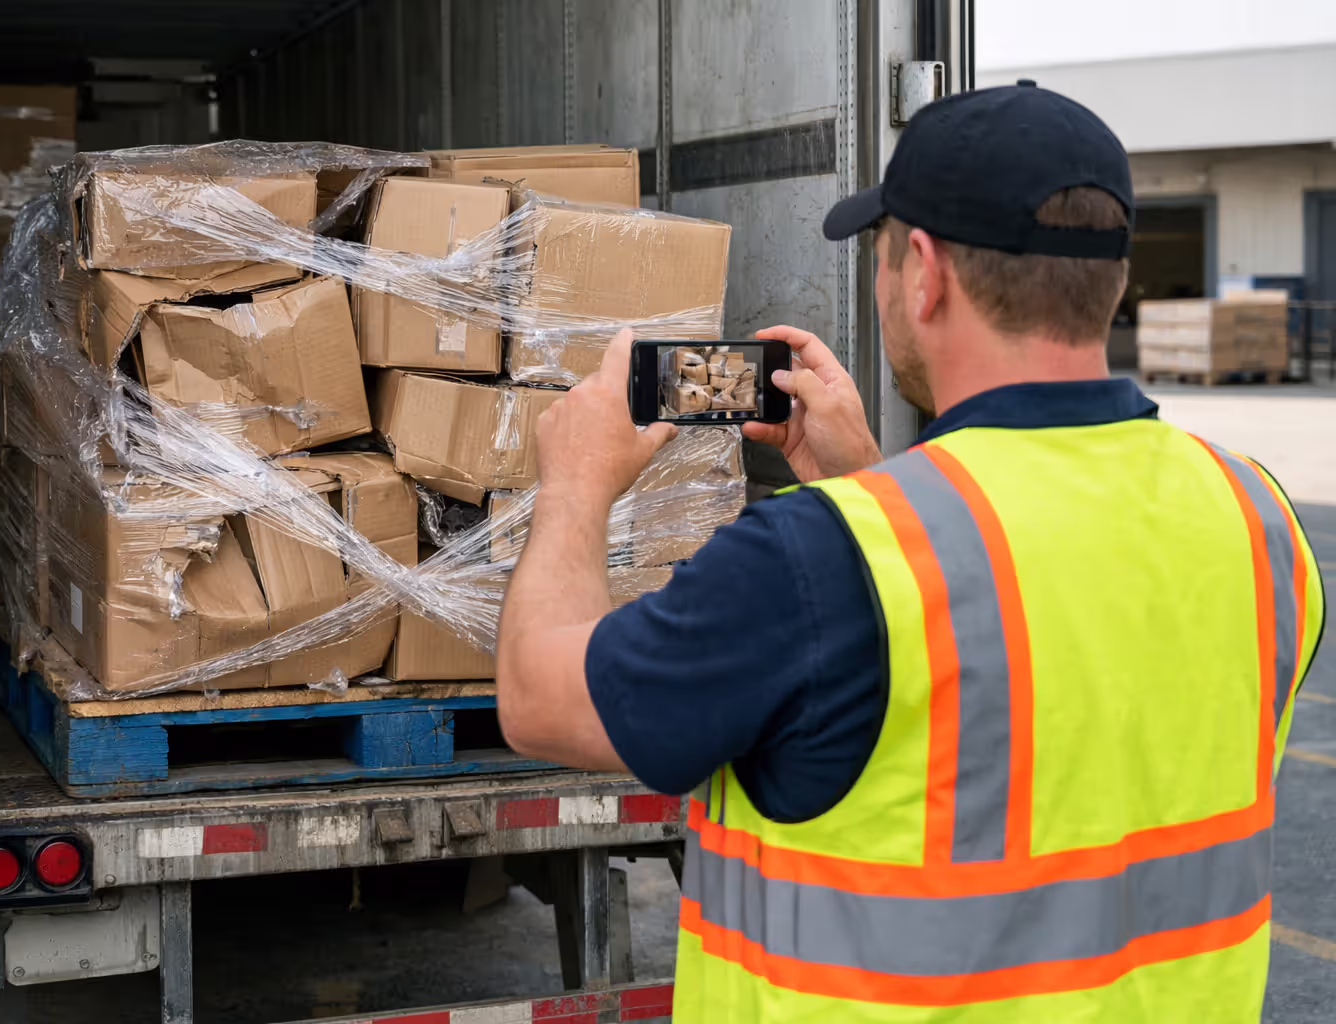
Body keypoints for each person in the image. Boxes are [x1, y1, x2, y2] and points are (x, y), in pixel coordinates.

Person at [495, 82, 1326, 1021]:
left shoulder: (813, 564)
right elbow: (1055, 669)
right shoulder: (1260, 521)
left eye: (882, 259)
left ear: (923, 272)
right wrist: (865, 483)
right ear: (1114, 280)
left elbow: (539, 697)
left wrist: (575, 480)